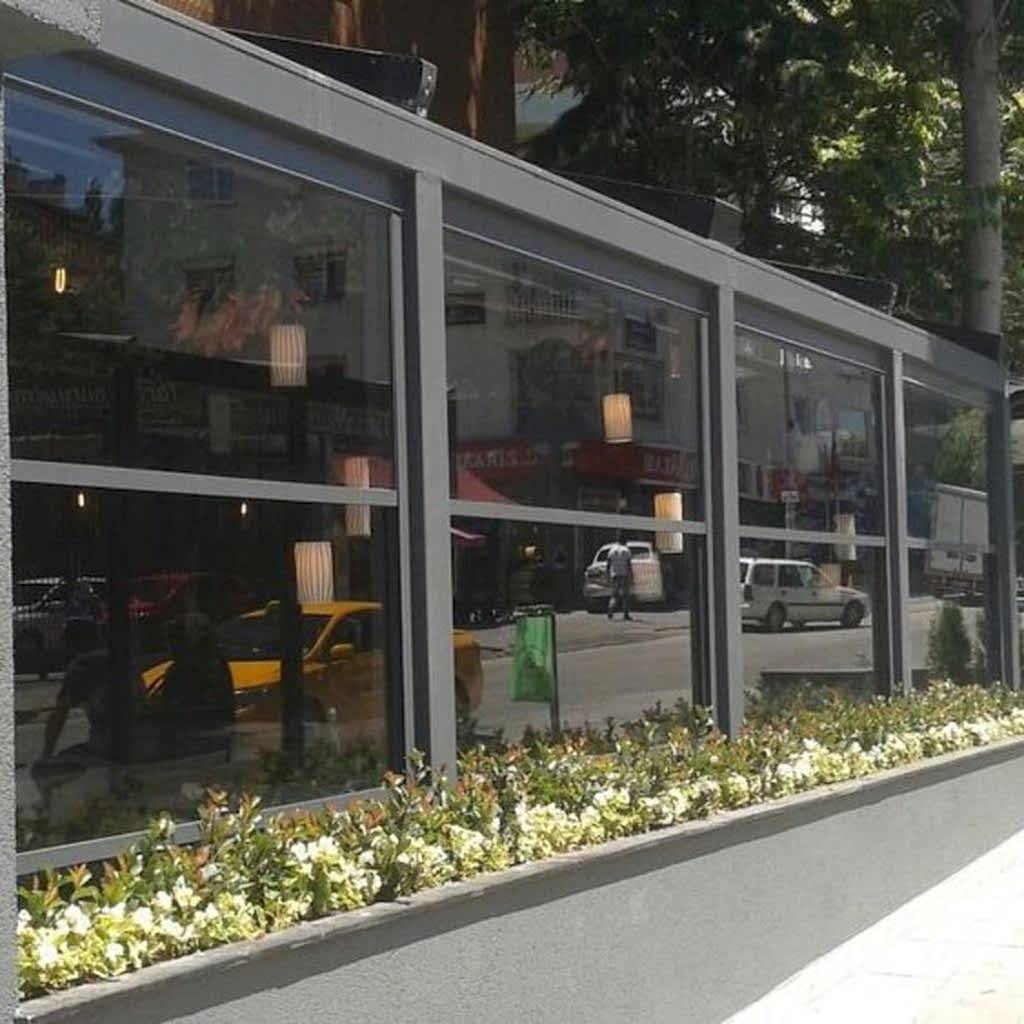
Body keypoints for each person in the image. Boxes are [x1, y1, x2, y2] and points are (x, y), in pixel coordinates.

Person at [606, 539, 634, 621]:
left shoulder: (612, 550)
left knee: (614, 595)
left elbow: (608, 564)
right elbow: (628, 564)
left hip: (614, 575)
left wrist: (607, 574)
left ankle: (610, 609)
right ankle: (626, 614)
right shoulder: (626, 550)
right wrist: (631, 574)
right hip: (624, 574)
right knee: (625, 596)